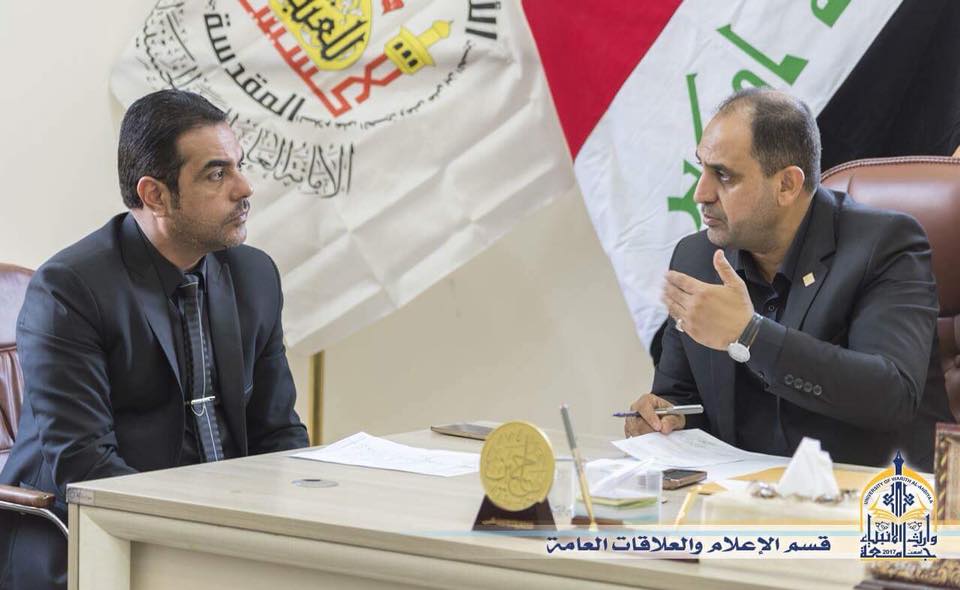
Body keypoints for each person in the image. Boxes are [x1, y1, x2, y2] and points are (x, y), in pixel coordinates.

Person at [0, 89, 309, 589]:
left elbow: (278, 431)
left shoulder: (253, 275)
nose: (244, 187)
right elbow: (85, 464)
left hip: (217, 534)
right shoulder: (70, 289)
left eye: (239, 165)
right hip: (87, 539)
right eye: (216, 174)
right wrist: (197, 534)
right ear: (155, 195)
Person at [624, 88, 952, 472]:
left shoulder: (885, 246)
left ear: (787, 185)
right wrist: (664, 417)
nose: (701, 193)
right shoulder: (696, 258)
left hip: (877, 493)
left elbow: (892, 395)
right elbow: (682, 398)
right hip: (743, 494)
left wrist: (750, 335)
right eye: (702, 168)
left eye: (723, 175)